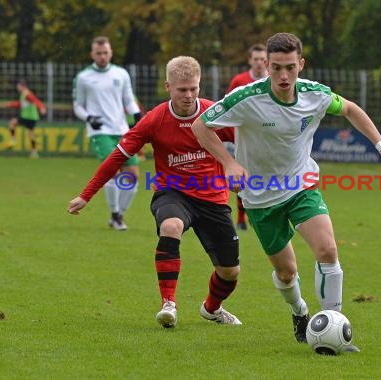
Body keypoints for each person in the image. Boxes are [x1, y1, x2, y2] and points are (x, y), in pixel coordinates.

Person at [192, 32, 381, 351]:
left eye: (290, 67)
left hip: (301, 185)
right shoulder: (246, 98)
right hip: (260, 197)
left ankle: (333, 325)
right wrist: (228, 163)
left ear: (301, 64)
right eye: (276, 67)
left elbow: (349, 109)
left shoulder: (314, 94)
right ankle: (299, 311)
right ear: (266, 65)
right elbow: (200, 126)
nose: (283, 75)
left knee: (327, 251)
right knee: (287, 272)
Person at [67, 56, 242, 328]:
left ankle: (212, 308)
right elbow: (116, 157)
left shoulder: (214, 114)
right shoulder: (154, 120)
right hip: (172, 193)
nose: (188, 95)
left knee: (230, 272)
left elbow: (250, 139)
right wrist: (85, 195)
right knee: (171, 227)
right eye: (182, 89)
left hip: (213, 198)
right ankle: (168, 304)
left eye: (193, 89)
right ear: (167, 87)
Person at [72, 36, 142, 231]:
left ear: (110, 53)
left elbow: (128, 99)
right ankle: (116, 215)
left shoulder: (121, 74)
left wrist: (136, 114)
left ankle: (119, 213)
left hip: (122, 130)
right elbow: (77, 105)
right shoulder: (84, 77)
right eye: (98, 53)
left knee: (133, 175)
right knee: (113, 171)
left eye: (105, 53)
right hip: (99, 131)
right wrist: (88, 118)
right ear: (92, 54)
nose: (102, 56)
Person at [226, 43, 268, 231]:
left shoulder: (274, 81)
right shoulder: (239, 80)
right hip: (242, 138)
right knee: (241, 177)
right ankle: (241, 218)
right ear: (250, 60)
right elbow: (227, 107)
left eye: (262, 59)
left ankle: (259, 214)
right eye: (256, 59)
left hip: (267, 138)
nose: (259, 63)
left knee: (265, 177)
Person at [6, 79, 47, 158]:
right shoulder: (24, 94)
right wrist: (11, 104)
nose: (17, 88)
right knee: (31, 134)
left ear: (22, 86)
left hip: (27, 116)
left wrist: (41, 107)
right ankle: (34, 152)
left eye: (18, 87)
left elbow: (35, 100)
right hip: (33, 117)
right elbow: (21, 104)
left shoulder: (27, 94)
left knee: (12, 123)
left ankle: (13, 140)